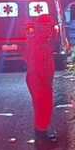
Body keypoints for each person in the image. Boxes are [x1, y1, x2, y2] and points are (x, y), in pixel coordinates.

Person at [24, 13, 57, 142]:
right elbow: (37, 64)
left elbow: (27, 58)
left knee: (41, 107)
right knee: (44, 107)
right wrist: (45, 81)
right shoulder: (39, 42)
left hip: (37, 79)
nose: (50, 30)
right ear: (42, 27)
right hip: (39, 80)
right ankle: (42, 135)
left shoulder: (38, 40)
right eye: (48, 26)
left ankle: (41, 132)